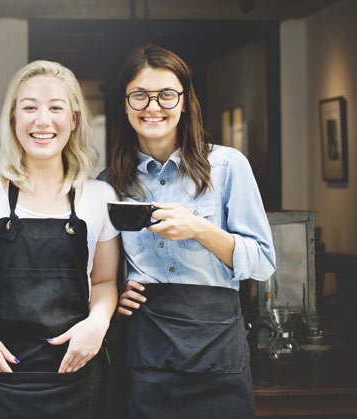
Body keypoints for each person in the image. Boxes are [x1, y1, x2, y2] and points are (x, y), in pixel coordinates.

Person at [107, 45, 276, 419]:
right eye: (140, 95)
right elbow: (96, 268)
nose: (153, 106)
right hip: (144, 348)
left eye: (167, 94)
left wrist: (198, 228)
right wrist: (110, 293)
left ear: (184, 102)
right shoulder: (109, 184)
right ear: (125, 104)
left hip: (218, 346)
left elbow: (263, 263)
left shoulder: (228, 166)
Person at [0, 60, 120, 418]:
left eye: (56, 108)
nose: (43, 120)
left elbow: (103, 280)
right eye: (29, 108)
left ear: (73, 119)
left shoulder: (101, 197)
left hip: (74, 378)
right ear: (12, 119)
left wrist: (98, 323)